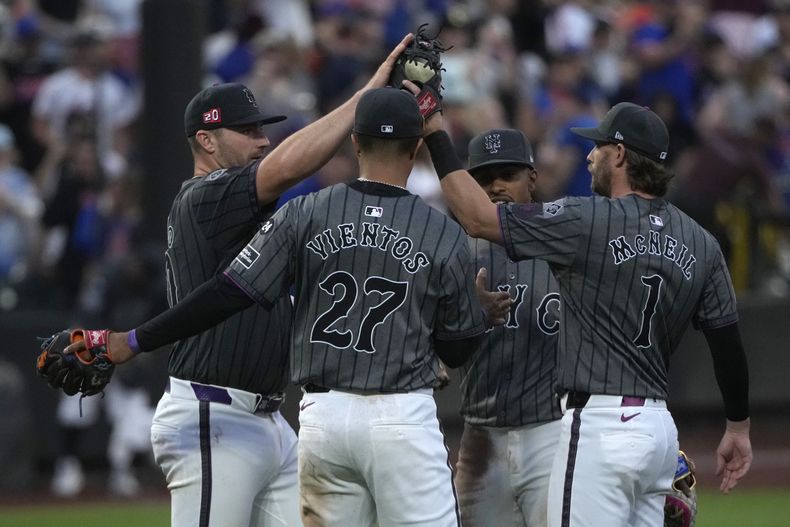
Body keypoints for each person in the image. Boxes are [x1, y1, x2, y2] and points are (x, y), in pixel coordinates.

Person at [67, 87, 511, 526]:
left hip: (308, 421)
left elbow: (229, 292)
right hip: (237, 411)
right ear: (415, 148)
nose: (262, 140)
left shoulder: (307, 213)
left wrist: (136, 339)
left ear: (354, 142)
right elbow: (456, 347)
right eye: (247, 130)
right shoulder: (440, 231)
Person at [416, 97, 752, 527]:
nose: (590, 156)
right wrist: (738, 427)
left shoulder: (586, 220)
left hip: (598, 424)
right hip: (657, 429)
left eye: (597, 147)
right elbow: (727, 343)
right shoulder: (701, 241)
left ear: (620, 154)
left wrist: (436, 132)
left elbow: (479, 218)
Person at [454, 128, 562, 527]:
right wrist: (468, 314)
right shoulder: (456, 253)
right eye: (484, 178)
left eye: (508, 174)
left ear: (532, 178)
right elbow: (435, 344)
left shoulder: (566, 241)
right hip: (481, 437)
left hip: (552, 429)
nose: (496, 185)